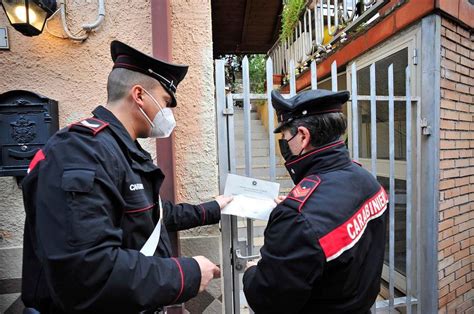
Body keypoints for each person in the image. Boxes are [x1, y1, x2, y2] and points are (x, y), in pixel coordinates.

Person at [21, 40, 232, 313]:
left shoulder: (118, 149)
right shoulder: (79, 151)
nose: (168, 115)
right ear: (139, 95)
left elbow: (148, 216)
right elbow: (88, 271)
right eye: (166, 103)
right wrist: (186, 274)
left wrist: (213, 208)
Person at [243, 89, 388, 314]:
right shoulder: (368, 182)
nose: (285, 145)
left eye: (285, 138)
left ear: (303, 136)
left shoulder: (299, 217)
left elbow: (268, 301)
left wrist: (252, 272)